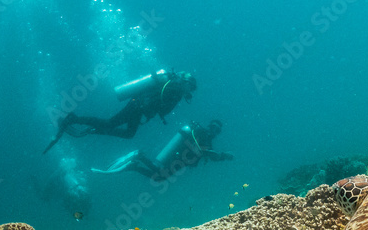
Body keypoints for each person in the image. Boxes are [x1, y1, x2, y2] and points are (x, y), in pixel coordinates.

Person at [43, 69, 197, 153]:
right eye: (190, 88)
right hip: (137, 106)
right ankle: (75, 119)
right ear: (186, 83)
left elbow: (160, 105)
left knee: (126, 132)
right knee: (110, 124)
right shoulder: (174, 88)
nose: (189, 91)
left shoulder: (175, 89)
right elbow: (162, 106)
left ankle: (89, 128)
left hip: (138, 108)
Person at [92, 119, 232, 179]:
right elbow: (205, 152)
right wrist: (223, 155)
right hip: (177, 157)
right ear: (210, 127)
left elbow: (209, 155)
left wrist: (221, 157)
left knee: (159, 176)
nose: (215, 132)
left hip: (181, 161)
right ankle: (138, 158)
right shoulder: (202, 133)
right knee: (159, 175)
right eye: (214, 128)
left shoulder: (208, 139)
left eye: (217, 131)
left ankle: (135, 165)